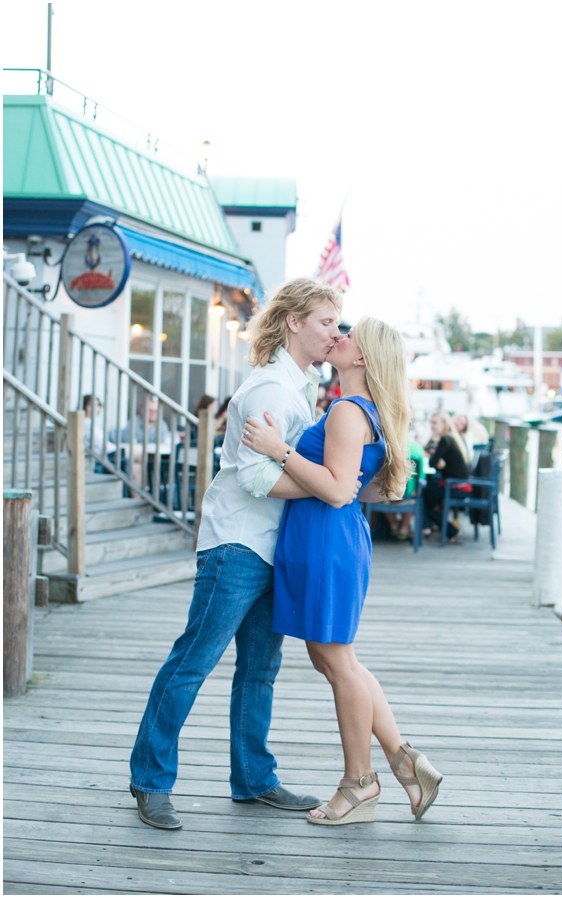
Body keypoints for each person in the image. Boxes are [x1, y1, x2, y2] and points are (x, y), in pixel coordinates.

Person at [128, 277, 343, 830]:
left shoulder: (299, 387)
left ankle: (253, 780)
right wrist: (324, 482)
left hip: (273, 548)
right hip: (237, 545)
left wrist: (315, 473)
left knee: (260, 671)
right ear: (294, 322)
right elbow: (255, 477)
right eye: (325, 322)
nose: (335, 333)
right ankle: (150, 780)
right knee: (193, 661)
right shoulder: (271, 390)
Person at [242, 317, 443, 825]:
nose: (339, 335)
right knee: (337, 660)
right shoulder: (367, 412)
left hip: (325, 540)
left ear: (362, 359)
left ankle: (360, 784)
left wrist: (279, 450)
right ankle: (404, 761)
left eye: (349, 334)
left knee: (338, 663)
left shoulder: (347, 411)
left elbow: (335, 489)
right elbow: (374, 489)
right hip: (333, 538)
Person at [423, 410, 471, 540]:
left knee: (422, 498)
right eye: (431, 422)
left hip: (455, 487)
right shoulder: (453, 437)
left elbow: (432, 462)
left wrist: (438, 461)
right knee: (428, 495)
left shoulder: (445, 440)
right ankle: (430, 527)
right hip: (460, 485)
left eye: (435, 423)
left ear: (444, 424)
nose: (432, 425)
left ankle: (450, 530)